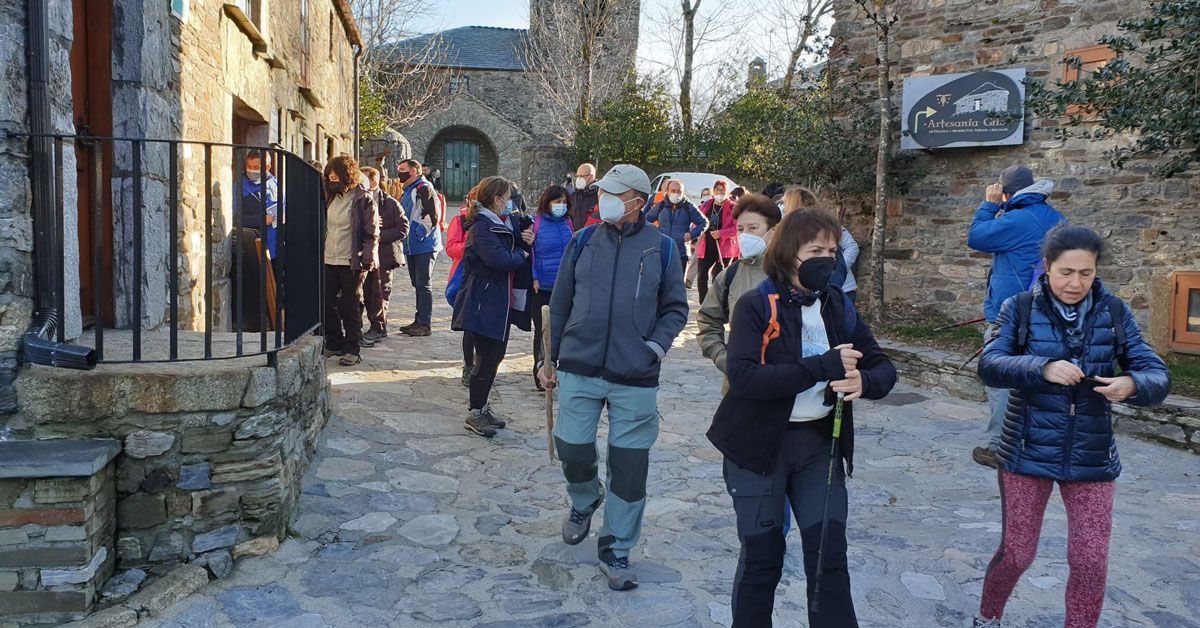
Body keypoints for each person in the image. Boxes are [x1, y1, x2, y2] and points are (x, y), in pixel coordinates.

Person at [707, 208, 896, 627]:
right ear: (790, 252)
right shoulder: (757, 305)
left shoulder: (837, 304)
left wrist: (866, 382)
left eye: (832, 250)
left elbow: (883, 366)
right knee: (763, 558)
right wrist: (821, 367)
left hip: (817, 447)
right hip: (756, 448)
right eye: (816, 250)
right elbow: (743, 378)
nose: (826, 259)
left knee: (829, 555)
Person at [973, 225, 1168, 628]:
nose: (1075, 283)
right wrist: (1040, 367)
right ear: (1046, 267)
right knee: (1017, 554)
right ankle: (988, 615)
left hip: (1092, 455)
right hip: (1027, 450)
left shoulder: (1114, 311)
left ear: (1096, 271)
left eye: (1086, 273)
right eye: (1065, 272)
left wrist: (1134, 384)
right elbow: (990, 366)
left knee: (1091, 561)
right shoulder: (1020, 307)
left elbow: (1156, 373)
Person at [540, 164, 688, 592]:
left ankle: (617, 549)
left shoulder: (662, 249)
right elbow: (560, 303)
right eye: (603, 190)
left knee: (628, 468)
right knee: (571, 445)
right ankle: (585, 500)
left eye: (613, 193)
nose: (603, 197)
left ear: (638, 202)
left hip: (635, 375)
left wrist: (652, 349)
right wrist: (548, 359)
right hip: (580, 366)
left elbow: (676, 309)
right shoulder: (582, 241)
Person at [968, 164, 1066, 469]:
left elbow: (977, 237)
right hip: (1047, 314)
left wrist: (989, 205)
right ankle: (1037, 443)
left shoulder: (1016, 219)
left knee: (1001, 380)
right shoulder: (1056, 218)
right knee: (1037, 379)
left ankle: (1000, 447)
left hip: (1012, 316)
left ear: (1007, 192)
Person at [451, 176, 534, 437]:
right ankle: (474, 412)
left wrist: (525, 239)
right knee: (485, 358)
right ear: (497, 200)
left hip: (499, 301)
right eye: (508, 198)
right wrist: (521, 254)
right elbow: (499, 259)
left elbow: (516, 238)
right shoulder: (481, 227)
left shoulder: (500, 222)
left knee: (496, 356)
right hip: (483, 300)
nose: (511, 203)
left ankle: (483, 406)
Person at [696, 193, 781, 389]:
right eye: (741, 229)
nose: (745, 235)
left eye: (753, 228)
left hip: (786, 387)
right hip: (739, 387)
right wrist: (723, 358)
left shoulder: (793, 274)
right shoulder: (730, 276)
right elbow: (707, 320)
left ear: (774, 231)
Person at [321, 156, 380, 367]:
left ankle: (352, 348)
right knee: (327, 303)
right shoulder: (329, 196)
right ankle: (334, 342)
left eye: (336, 177)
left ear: (347, 176)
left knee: (350, 305)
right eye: (329, 177)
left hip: (351, 261)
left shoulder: (363, 199)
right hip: (329, 258)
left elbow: (371, 232)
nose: (332, 180)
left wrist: (367, 258)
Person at [530, 185, 574, 391]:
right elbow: (532, 253)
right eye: (557, 202)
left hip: (564, 285)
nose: (561, 206)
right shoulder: (536, 223)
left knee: (563, 330)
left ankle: (556, 369)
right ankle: (539, 371)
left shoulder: (567, 223)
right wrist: (535, 276)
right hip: (543, 285)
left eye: (564, 202)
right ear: (547, 203)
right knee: (542, 330)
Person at [361, 167, 409, 342]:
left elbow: (403, 229)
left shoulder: (390, 203)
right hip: (363, 255)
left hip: (384, 256)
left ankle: (379, 327)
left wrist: (379, 234)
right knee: (364, 292)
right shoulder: (358, 200)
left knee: (380, 292)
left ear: (373, 182)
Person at [397, 159, 442, 337]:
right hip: (412, 245)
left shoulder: (424, 188)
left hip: (424, 245)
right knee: (417, 283)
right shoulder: (409, 190)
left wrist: (419, 233)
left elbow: (432, 215)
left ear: (414, 172)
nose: (399, 172)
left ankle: (425, 323)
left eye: (403, 169)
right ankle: (419, 319)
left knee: (423, 284)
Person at [445, 195, 476, 387]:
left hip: (489, 279)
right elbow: (451, 248)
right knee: (470, 326)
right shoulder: (461, 220)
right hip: (465, 277)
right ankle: (469, 365)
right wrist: (473, 246)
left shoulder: (500, 220)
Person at [645, 179, 707, 271]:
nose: (676, 193)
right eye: (673, 191)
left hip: (681, 253)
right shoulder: (661, 206)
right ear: (667, 192)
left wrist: (691, 235)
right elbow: (646, 219)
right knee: (660, 282)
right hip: (662, 250)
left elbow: (704, 222)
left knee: (678, 284)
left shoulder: (689, 206)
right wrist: (654, 231)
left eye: (679, 191)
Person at [696, 180, 740, 304]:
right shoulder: (705, 205)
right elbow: (696, 223)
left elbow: (737, 228)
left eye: (723, 190)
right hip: (706, 245)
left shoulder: (733, 207)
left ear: (727, 192)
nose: (720, 192)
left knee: (718, 277)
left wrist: (721, 233)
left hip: (723, 247)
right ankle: (703, 304)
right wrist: (698, 234)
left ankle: (717, 304)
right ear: (713, 190)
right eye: (718, 189)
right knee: (701, 276)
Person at [831, 227, 860, 303]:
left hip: (844, 288)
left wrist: (838, 268)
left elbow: (852, 247)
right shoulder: (797, 226)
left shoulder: (831, 224)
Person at [567, 163, 600, 231]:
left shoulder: (600, 194)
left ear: (591, 177)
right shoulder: (574, 195)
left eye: (581, 176)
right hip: (576, 236)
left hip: (594, 236)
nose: (578, 179)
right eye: (577, 176)